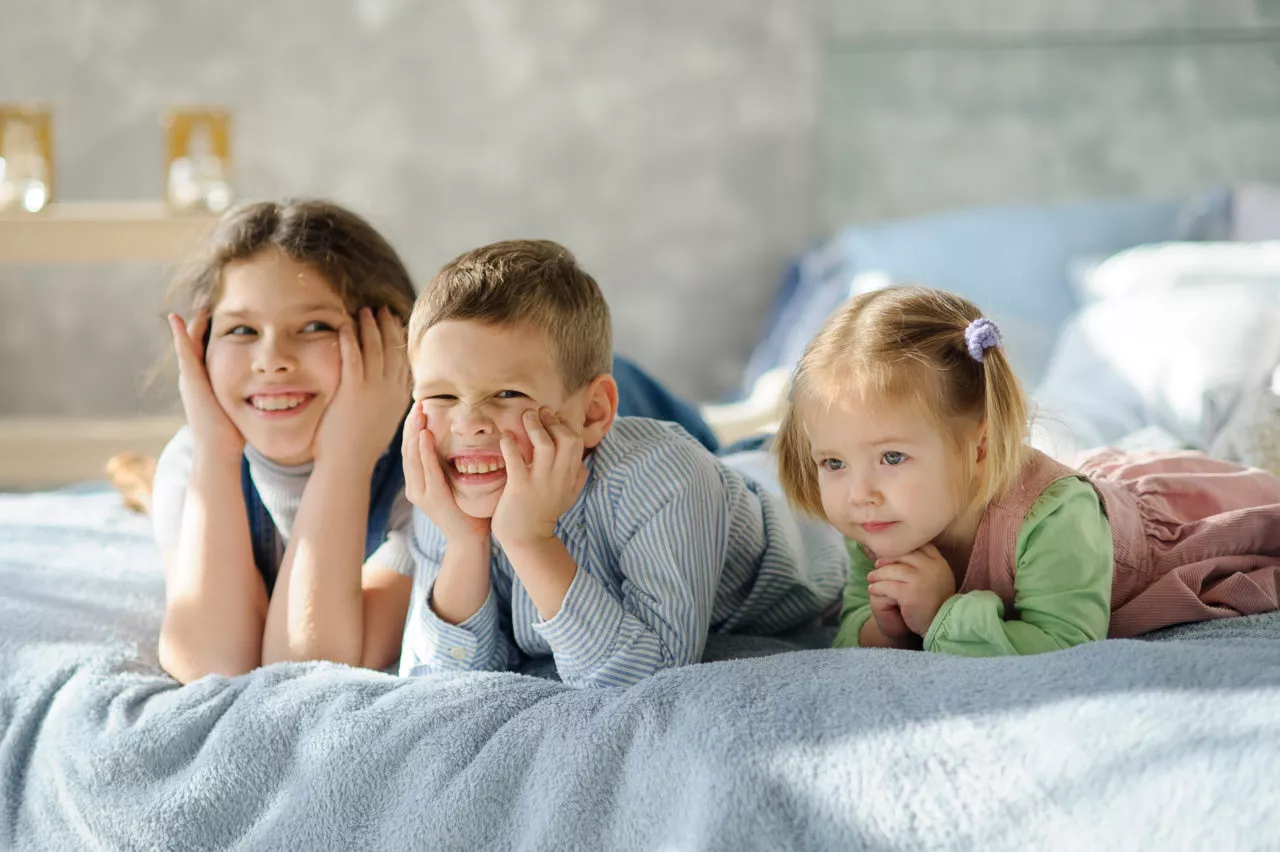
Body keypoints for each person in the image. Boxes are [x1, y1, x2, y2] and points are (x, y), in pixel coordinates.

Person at [121, 200, 715, 684]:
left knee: (550, 382)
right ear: (200, 347)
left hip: (580, 419)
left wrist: (349, 455)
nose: (272, 360)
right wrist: (218, 457)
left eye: (315, 327)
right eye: (240, 330)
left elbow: (309, 664)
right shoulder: (199, 459)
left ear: (390, 343)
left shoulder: (438, 462)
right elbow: (212, 670)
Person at [398, 239, 848, 687]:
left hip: (801, 511)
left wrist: (529, 541)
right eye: (440, 395)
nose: (468, 423)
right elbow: (439, 678)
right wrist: (464, 544)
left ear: (593, 412)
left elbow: (648, 675)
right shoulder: (448, 493)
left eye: (508, 393)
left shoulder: (665, 479)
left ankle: (777, 415)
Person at [776, 285, 1280, 657]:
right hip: (1089, 481)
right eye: (833, 463)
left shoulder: (1052, 519)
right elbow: (849, 629)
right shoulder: (878, 520)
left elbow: (1064, 639)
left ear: (978, 446)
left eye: (891, 458)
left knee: (1260, 498)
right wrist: (886, 628)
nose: (859, 491)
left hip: (1164, 528)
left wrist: (940, 614)